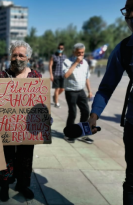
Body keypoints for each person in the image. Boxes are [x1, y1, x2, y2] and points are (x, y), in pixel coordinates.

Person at [88, 0, 133, 203]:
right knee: (132, 180)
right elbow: (106, 88)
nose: (129, 15)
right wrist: (93, 115)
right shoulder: (124, 49)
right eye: (127, 10)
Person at [0, 41, 42, 202]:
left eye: (21, 55)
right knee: (5, 157)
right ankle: (4, 186)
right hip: (5, 127)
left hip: (27, 127)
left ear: (28, 57)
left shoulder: (36, 76)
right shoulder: (1, 76)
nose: (17, 58)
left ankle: (22, 184)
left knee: (26, 157)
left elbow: (41, 101)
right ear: (10, 56)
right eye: (14, 55)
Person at [62, 43, 93, 144]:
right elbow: (66, 75)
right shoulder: (67, 62)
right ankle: (69, 134)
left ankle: (82, 133)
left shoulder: (85, 63)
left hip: (81, 91)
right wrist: (76, 62)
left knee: (86, 112)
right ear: (73, 52)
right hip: (71, 91)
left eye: (82, 52)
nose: (81, 55)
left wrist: (89, 91)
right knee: (72, 113)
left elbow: (87, 77)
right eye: (78, 53)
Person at [49, 43, 67, 108]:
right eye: (59, 48)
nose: (60, 49)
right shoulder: (53, 56)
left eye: (61, 48)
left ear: (63, 49)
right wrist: (51, 75)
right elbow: (50, 65)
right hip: (55, 74)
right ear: (57, 48)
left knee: (62, 89)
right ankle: (56, 103)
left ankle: (55, 96)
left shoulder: (65, 56)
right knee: (57, 89)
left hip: (62, 75)